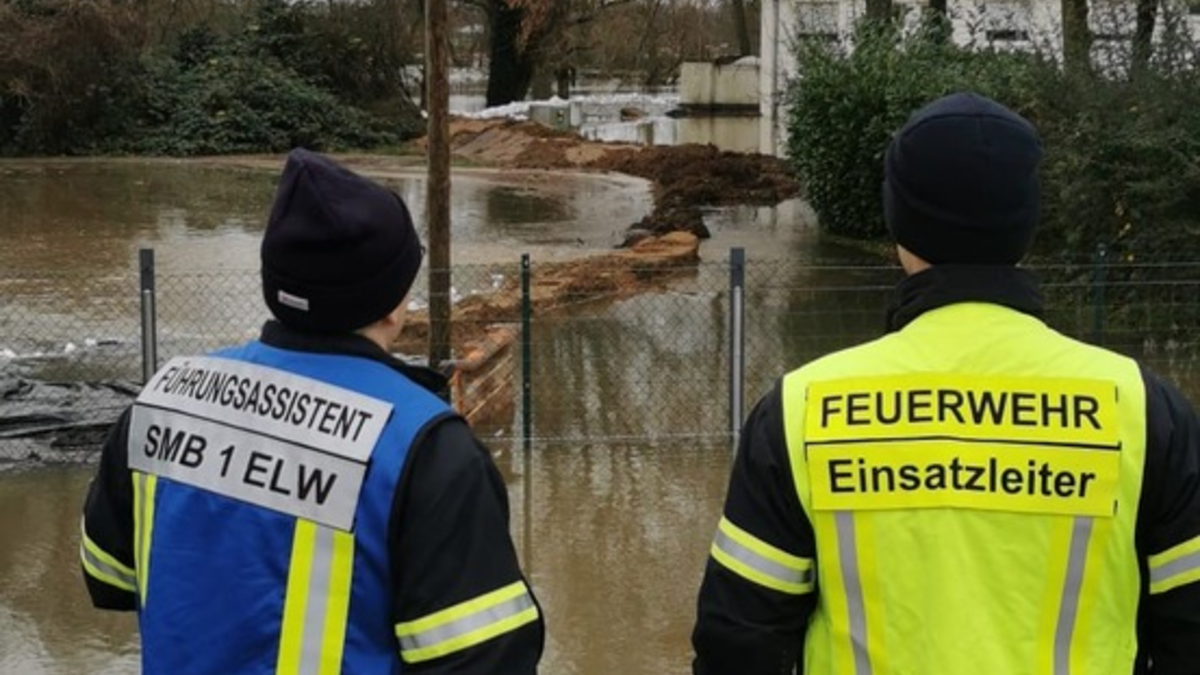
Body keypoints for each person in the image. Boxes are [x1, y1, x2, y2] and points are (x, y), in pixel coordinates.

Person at [691, 92, 1200, 674]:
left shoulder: (802, 411)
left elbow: (736, 647)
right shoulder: (1143, 410)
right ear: (1027, 224)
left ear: (898, 224)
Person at [80, 148, 544, 675]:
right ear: (393, 304)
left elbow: (108, 576)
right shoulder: (426, 447)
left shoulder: (162, 401)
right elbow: (486, 661)